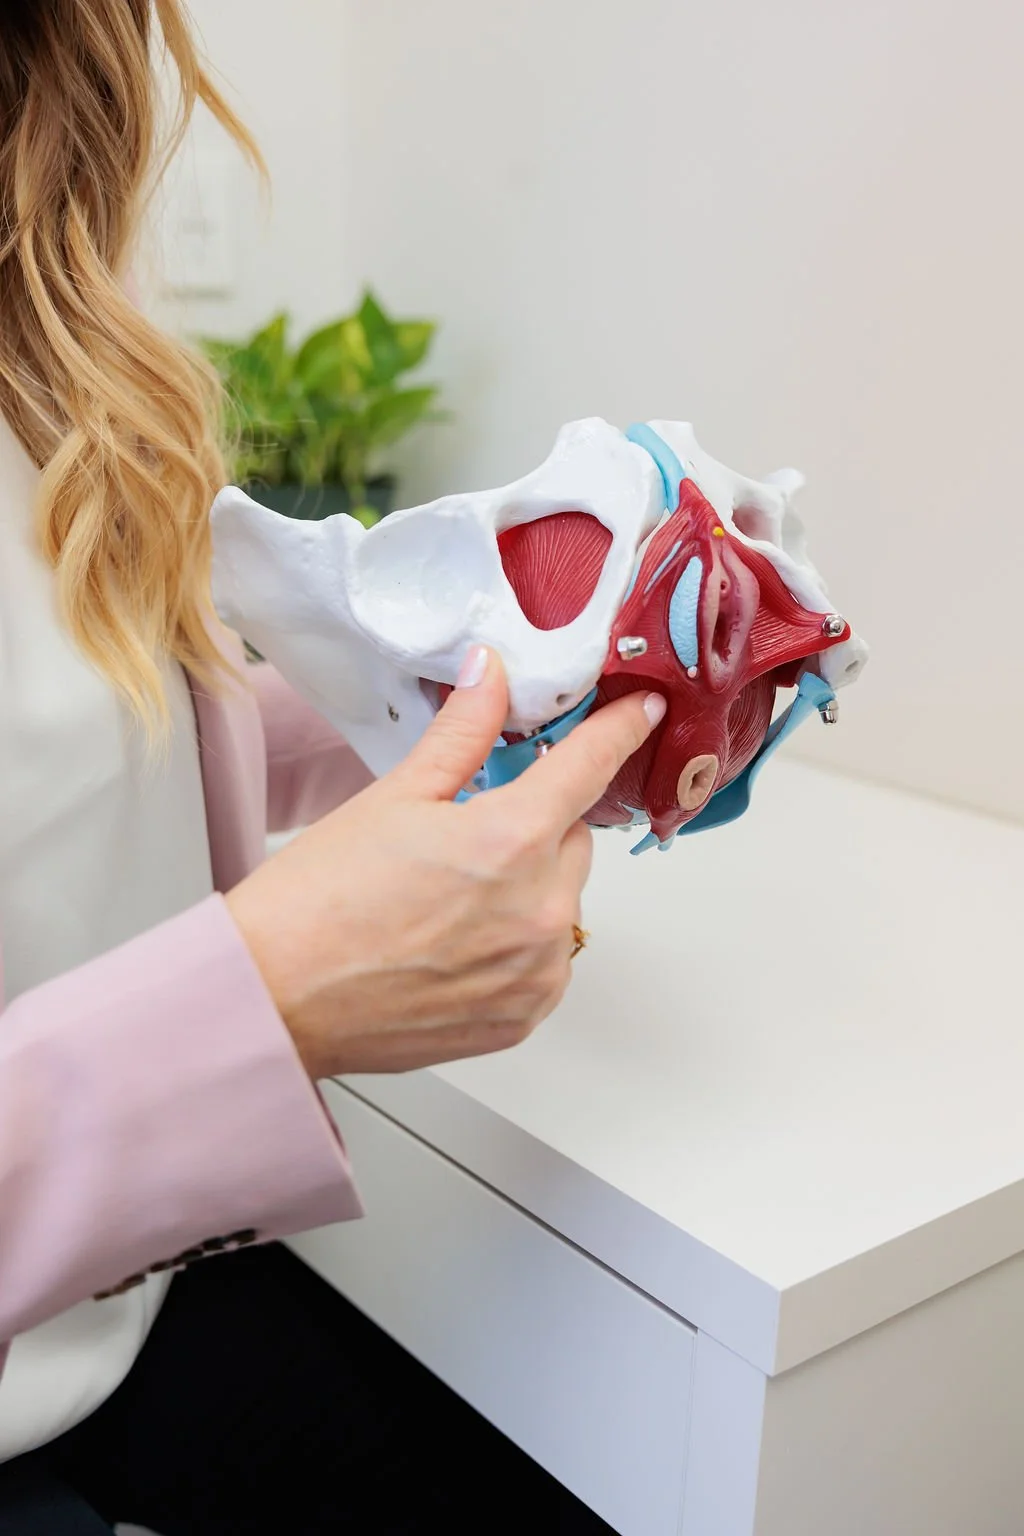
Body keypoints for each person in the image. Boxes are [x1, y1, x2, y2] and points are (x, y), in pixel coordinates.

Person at [0, 3, 666, 1532]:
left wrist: (470, 694)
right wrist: (274, 990)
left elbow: (89, 742)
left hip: (115, 1306)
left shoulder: (39, 370)